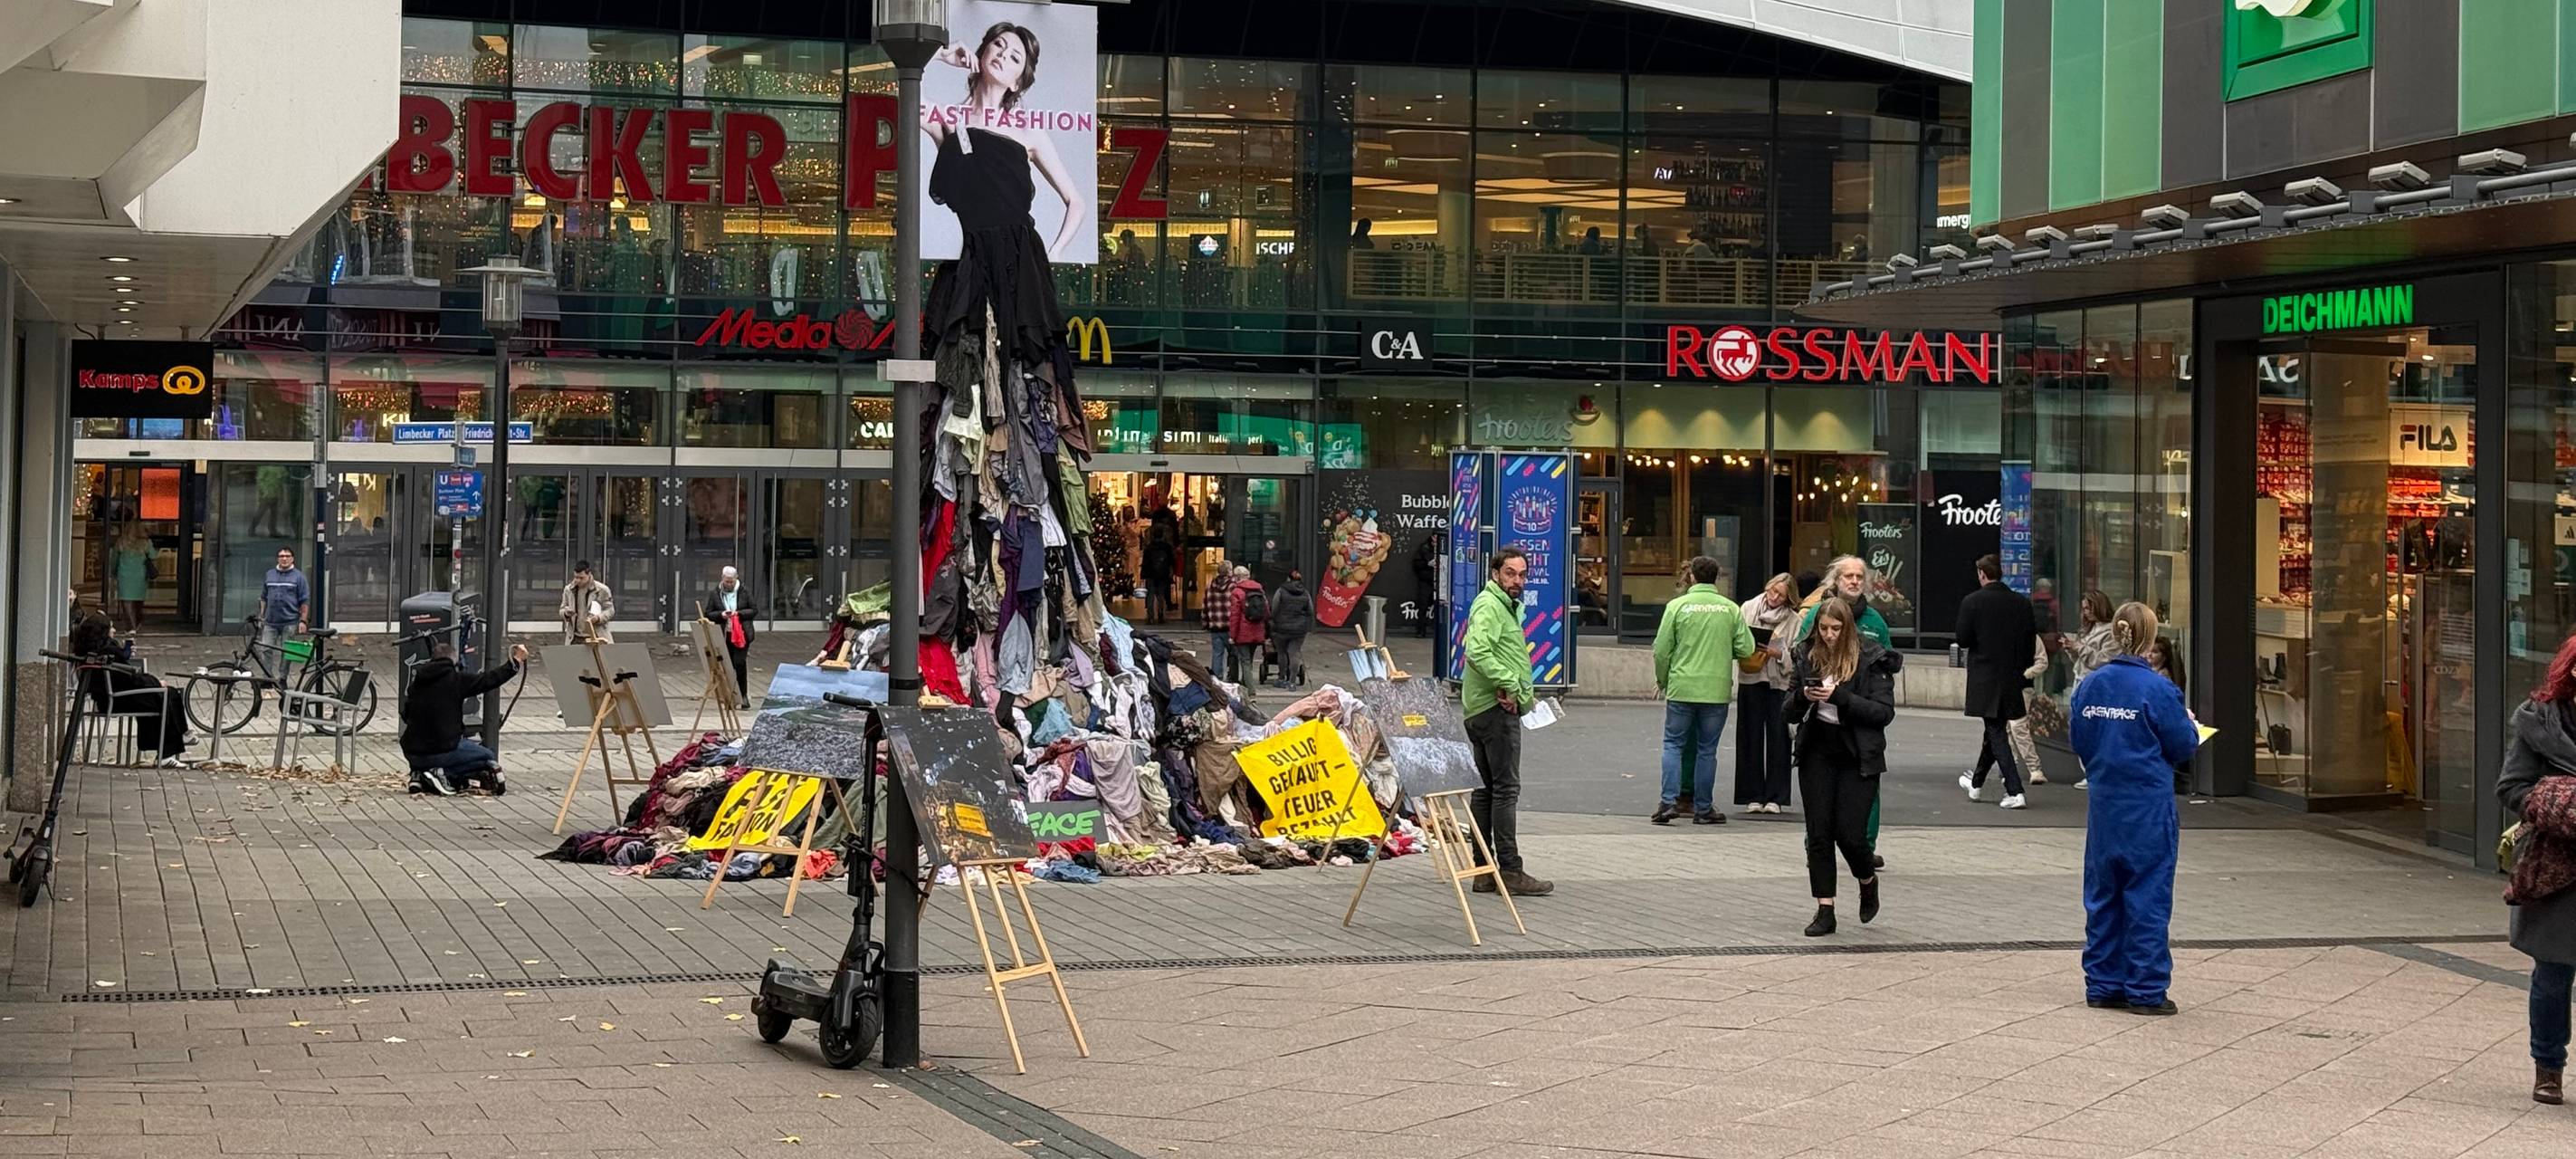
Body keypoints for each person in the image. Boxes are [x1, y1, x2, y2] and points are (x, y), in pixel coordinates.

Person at [2069, 602, 2199, 1017]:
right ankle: (2145, 989)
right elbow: (2182, 745)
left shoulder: (2092, 684)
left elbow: (2081, 740)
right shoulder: (2158, 689)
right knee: (2147, 895)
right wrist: (2190, 725)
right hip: (2147, 805)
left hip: (2105, 803)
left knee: (2104, 893)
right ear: (2149, 637)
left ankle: (2103, 983)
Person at [1782, 598, 1898, 937]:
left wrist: (1840, 698)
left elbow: (1883, 713)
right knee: (1818, 833)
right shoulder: (1807, 655)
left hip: (1857, 754)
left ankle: (1867, 879)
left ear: (1847, 629)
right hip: (1818, 749)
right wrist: (1805, 696)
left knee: (1850, 835)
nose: (1829, 635)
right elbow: (1787, 711)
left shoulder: (1871, 658)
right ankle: (1825, 908)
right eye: (1823, 629)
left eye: (1836, 629)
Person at [923, 22, 1085, 262]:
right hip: (971, 259)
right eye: (998, 45)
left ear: (1016, 83)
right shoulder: (949, 119)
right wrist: (940, 54)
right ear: (982, 53)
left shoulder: (1027, 132)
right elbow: (904, 91)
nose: (1002, 55)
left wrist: (1055, 252)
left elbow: (1075, 202)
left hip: (1021, 262)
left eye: (1014, 58)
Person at [2501, 630, 2576, 1106]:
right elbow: (2510, 788)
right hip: (2558, 868)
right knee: (2553, 973)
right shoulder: (2538, 723)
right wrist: (2556, 801)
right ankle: (2547, 1066)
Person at [1463, 548, 1551, 897]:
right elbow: (1477, 651)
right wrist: (1509, 684)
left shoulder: (1503, 606)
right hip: (1495, 711)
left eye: (1522, 574)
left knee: (1486, 792)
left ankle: (1483, 871)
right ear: (1496, 573)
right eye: (1511, 574)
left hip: (1484, 708)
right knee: (1504, 791)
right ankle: (1510, 870)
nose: (1518, 581)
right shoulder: (1490, 605)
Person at [1652, 556, 1756, 826]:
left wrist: (1662, 680)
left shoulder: (1677, 606)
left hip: (1682, 686)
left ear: (1693, 577)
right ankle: (1703, 808)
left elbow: (1662, 650)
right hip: (1715, 688)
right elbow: (1747, 648)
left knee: (1673, 744)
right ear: (1717, 577)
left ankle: (1668, 802)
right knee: (1707, 750)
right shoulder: (1730, 609)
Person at [1958, 553, 2040, 810]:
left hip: (1986, 676)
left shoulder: (1972, 602)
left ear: (1982, 574)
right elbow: (2029, 642)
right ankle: (1977, 783)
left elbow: (1963, 639)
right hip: (2012, 676)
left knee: (1995, 731)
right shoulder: (2021, 603)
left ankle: (2015, 790)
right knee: (1994, 730)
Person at [400, 638, 527, 796]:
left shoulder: (417, 682)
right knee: (487, 756)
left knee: (454, 752)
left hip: (413, 753)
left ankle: (418, 774)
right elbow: (489, 679)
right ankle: (441, 772)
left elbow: (405, 713)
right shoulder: (456, 680)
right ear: (454, 660)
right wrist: (515, 662)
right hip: (442, 749)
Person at [68, 606, 189, 767]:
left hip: (105, 698)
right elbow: (129, 679)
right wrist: (156, 682)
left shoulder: (89, 651)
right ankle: (170, 748)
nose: (114, 630)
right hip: (120, 699)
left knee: (163, 694)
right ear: (103, 631)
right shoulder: (109, 652)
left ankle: (179, 736)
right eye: (111, 627)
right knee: (167, 694)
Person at [1735, 572, 1800, 815]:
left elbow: (1797, 655)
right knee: (1749, 736)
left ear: (1789, 597)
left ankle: (1776, 797)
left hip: (1779, 683)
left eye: (1780, 595)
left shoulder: (1794, 619)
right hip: (1751, 678)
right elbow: (1737, 639)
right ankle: (1751, 795)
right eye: (1772, 590)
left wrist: (1779, 654)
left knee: (1779, 738)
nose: (1773, 597)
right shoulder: (1748, 608)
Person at [2066, 590, 2119, 790]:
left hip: (2096, 685)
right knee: (2080, 728)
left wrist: (2080, 648)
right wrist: (2073, 650)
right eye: (2083, 609)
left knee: (2093, 729)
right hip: (2081, 680)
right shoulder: (2089, 629)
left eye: (2089, 608)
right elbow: (2085, 660)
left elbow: (2105, 660)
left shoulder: (2111, 632)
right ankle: (2090, 771)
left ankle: (2096, 772)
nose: (2086, 612)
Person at [702, 566, 757, 699]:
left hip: (742, 634)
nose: (729, 584)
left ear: (736, 578)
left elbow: (754, 610)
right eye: (727, 581)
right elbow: (708, 613)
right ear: (722, 579)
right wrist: (722, 615)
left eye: (731, 581)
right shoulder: (716, 593)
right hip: (725, 633)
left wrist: (738, 614)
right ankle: (731, 695)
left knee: (739, 663)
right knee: (728, 665)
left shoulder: (744, 591)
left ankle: (743, 695)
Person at [258, 548, 309, 656]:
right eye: (281, 556)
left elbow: (304, 601)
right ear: (278, 559)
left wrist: (303, 621)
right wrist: (261, 616)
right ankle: (267, 674)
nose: (284, 559)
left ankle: (283, 674)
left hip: (290, 622)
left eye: (287, 556)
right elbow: (263, 597)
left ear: (292, 559)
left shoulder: (299, 577)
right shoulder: (270, 574)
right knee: (265, 650)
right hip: (270, 621)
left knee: (287, 653)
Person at [1268, 570, 1314, 689]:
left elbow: (1274, 608)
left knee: (1282, 652)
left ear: (1288, 579)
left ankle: (1282, 678)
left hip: (1281, 627)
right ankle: (1292, 682)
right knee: (1294, 653)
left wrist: (1275, 620)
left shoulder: (1281, 591)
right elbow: (1310, 611)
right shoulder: (1305, 593)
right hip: (1299, 629)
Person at [1224, 566, 1268, 685]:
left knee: (1245, 661)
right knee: (1250, 659)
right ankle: (1245, 684)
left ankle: (1250, 690)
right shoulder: (1260, 590)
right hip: (1257, 630)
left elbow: (1235, 616)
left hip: (1242, 633)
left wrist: (1232, 636)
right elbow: (1266, 612)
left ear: (1237, 577)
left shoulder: (1237, 592)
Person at [558, 560, 615, 645]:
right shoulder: (569, 590)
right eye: (576, 577)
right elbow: (562, 609)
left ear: (589, 575)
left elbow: (610, 610)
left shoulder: (602, 590)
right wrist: (566, 613)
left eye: (581, 578)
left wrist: (598, 618)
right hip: (575, 638)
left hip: (596, 636)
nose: (578, 580)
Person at [110, 523, 151, 634]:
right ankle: (136, 623)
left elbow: (114, 559)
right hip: (140, 576)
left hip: (124, 576)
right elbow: (153, 556)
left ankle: (131, 626)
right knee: (138, 602)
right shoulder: (146, 543)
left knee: (127, 602)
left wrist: (113, 571)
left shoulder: (121, 542)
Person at [1200, 558, 1236, 681]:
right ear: (1229, 571)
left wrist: (1205, 623)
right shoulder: (1233, 586)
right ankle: (1232, 676)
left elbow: (1205, 606)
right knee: (1233, 653)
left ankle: (1216, 678)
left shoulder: (1211, 586)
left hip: (1215, 625)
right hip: (1230, 625)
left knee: (1217, 653)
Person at [1142, 522, 1178, 624]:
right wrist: (1171, 571)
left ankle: (1150, 616)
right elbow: (1171, 560)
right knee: (1161, 595)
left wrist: (1144, 574)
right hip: (1163, 573)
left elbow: (1145, 562)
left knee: (1150, 595)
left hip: (1151, 573)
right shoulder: (1166, 547)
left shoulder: (1149, 547)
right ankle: (1161, 615)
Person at [1411, 535, 1441, 638]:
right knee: (1423, 606)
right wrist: (1427, 564)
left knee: (1440, 606)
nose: (1436, 540)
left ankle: (1438, 631)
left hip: (1440, 581)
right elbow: (1416, 564)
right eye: (1435, 538)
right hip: (1426, 580)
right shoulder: (1424, 548)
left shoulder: (1444, 546)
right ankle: (1420, 631)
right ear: (1432, 537)